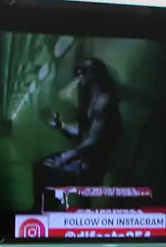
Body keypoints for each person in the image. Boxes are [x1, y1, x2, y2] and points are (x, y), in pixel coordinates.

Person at [34, 58, 123, 210]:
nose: (79, 75)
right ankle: (47, 211)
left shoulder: (103, 101)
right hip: (88, 160)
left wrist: (66, 157)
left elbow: (93, 142)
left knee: (44, 170)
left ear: (96, 74)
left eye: (84, 71)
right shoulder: (93, 98)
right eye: (78, 71)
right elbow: (81, 134)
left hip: (94, 166)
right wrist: (60, 125)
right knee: (43, 166)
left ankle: (45, 213)